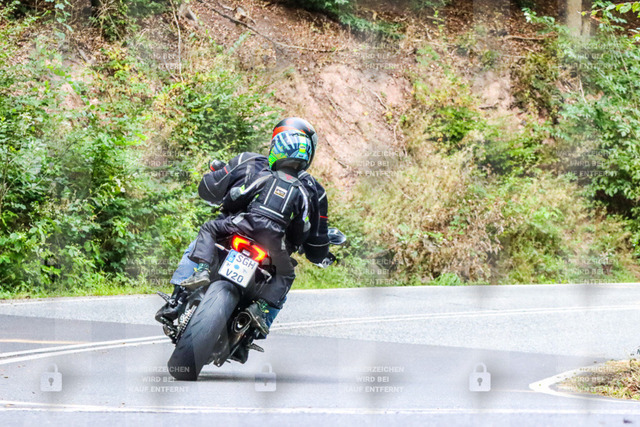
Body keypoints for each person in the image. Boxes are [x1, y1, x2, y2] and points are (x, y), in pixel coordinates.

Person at [157, 118, 331, 334]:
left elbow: (211, 190)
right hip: (273, 251)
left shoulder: (248, 161)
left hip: (232, 231)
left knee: (200, 241)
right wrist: (310, 246)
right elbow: (314, 240)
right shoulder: (312, 189)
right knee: (286, 276)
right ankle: (261, 320)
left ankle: (177, 300)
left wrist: (219, 177)